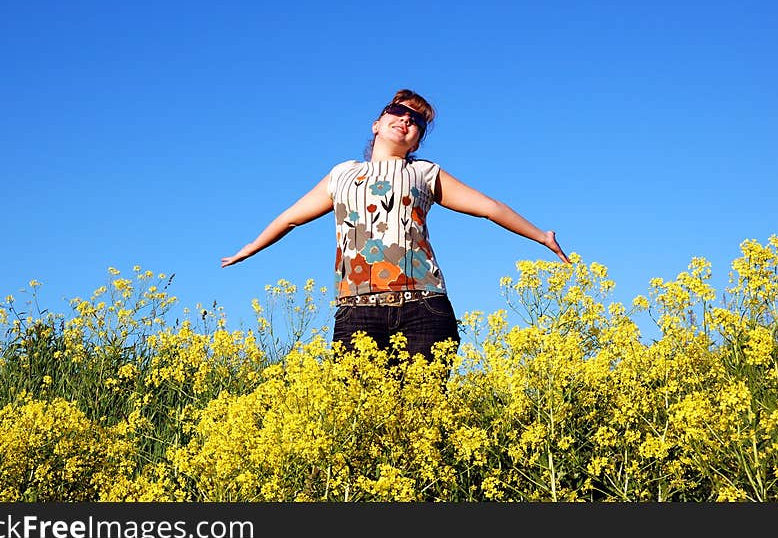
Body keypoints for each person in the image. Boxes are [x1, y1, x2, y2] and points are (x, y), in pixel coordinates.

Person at [221, 89, 571, 364]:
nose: (405, 120)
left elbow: (489, 208)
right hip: (357, 311)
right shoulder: (341, 174)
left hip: (424, 307)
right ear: (376, 123)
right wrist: (252, 247)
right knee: (360, 426)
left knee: (425, 420)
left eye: (416, 119)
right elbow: (290, 217)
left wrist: (541, 236)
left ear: (417, 141)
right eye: (397, 111)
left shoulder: (424, 173)